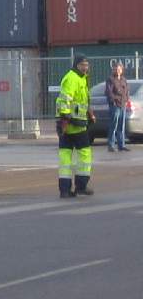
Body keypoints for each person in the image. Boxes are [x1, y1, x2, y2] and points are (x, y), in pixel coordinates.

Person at [56, 56, 94, 197]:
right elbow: (65, 99)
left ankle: (65, 190)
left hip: (74, 123)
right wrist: (66, 118)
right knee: (84, 154)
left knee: (65, 157)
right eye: (83, 64)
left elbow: (82, 100)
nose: (85, 67)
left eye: (87, 65)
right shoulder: (72, 78)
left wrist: (89, 113)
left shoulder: (81, 78)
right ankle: (80, 186)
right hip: (74, 124)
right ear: (76, 65)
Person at [106, 62, 131, 152]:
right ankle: (111, 145)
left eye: (119, 69)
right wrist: (113, 101)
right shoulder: (110, 79)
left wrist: (126, 99)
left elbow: (127, 91)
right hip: (115, 105)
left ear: (122, 70)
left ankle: (121, 145)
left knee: (121, 126)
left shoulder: (124, 79)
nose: (117, 71)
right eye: (116, 69)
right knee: (113, 126)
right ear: (113, 70)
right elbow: (109, 92)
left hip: (123, 105)